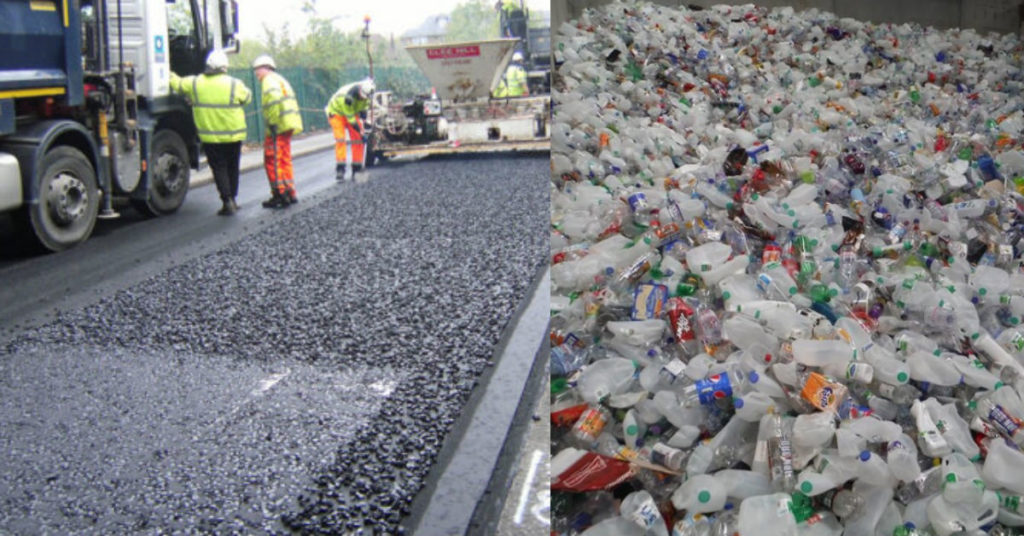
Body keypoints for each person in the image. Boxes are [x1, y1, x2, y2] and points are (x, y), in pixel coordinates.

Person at [169, 50, 251, 216]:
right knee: (232, 166)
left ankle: (226, 200)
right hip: (234, 135)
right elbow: (247, 98)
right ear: (224, 67)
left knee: (219, 168)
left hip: (211, 137)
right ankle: (233, 199)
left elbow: (176, 83)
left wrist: (165, 67)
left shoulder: (195, 83)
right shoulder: (235, 84)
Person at [252, 55, 303, 209]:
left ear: (265, 68)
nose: (256, 74)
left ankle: (279, 194)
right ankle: (290, 191)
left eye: (257, 70)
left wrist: (273, 123)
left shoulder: (268, 81)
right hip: (288, 124)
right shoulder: (280, 79)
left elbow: (274, 100)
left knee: (272, 159)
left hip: (278, 125)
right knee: (284, 158)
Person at [325, 78, 374, 181]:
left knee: (358, 140)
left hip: (352, 112)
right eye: (361, 96)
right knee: (340, 140)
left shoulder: (368, 94)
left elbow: (364, 107)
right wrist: (361, 132)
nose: (362, 98)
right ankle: (340, 170)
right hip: (336, 114)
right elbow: (351, 119)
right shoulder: (347, 98)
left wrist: (364, 121)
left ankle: (357, 169)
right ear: (359, 91)